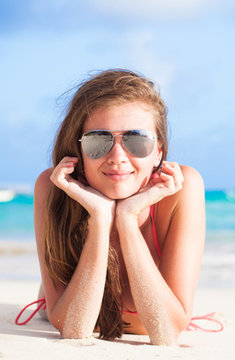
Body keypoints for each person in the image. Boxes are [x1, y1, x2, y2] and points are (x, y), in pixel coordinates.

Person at [25, 69, 206, 345]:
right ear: (78, 150)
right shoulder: (52, 188)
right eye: (99, 141)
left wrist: (127, 219)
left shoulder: (182, 189)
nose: (118, 157)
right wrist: (99, 218)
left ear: (159, 151)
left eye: (137, 141)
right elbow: (74, 328)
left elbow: (166, 332)